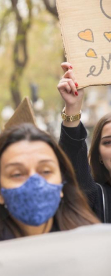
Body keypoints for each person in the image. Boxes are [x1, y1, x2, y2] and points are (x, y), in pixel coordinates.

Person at [0, 123, 99, 247]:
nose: (35, 182)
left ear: (62, 184)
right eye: (17, 174)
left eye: (45, 171)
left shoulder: (93, 245)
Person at [57, 62, 111, 222]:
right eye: (108, 142)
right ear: (99, 156)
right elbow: (73, 159)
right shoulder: (96, 198)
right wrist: (72, 108)